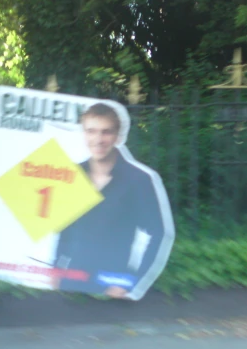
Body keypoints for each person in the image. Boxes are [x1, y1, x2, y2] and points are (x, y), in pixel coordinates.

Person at [52, 103, 174, 299]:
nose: (98, 139)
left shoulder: (138, 180)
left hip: (112, 287)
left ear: (118, 136)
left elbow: (157, 234)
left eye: (106, 132)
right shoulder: (73, 175)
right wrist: (56, 267)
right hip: (72, 283)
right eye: (91, 131)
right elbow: (65, 228)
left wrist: (132, 280)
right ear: (84, 134)